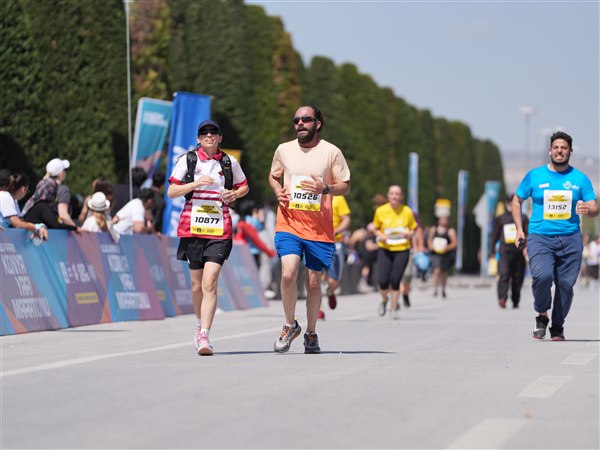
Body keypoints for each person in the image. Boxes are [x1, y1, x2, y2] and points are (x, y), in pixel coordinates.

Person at [268, 105, 351, 354]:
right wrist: (277, 190)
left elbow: (345, 186)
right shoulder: (283, 149)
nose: (300, 123)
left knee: (314, 283)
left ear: (318, 123)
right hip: (289, 223)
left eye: (306, 119)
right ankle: (289, 324)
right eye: (296, 120)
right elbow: (273, 176)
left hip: (319, 229)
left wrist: (325, 188)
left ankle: (311, 332)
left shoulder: (331, 152)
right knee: (287, 273)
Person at [167, 119, 248, 356]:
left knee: (210, 282)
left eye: (213, 132)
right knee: (196, 286)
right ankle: (198, 322)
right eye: (204, 133)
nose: (209, 136)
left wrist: (234, 194)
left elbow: (244, 186)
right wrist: (195, 183)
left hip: (219, 229)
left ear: (220, 137)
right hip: (192, 228)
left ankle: (205, 335)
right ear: (198, 138)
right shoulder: (188, 160)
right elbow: (171, 191)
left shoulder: (229, 162)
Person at [513, 131, 598, 341]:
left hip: (570, 238)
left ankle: (558, 325)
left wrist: (588, 209)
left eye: (564, 148)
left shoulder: (580, 179)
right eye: (556, 147)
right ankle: (542, 315)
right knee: (542, 276)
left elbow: (594, 207)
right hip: (540, 237)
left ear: (570, 151)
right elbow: (517, 200)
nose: (560, 151)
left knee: (566, 285)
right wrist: (519, 230)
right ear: (550, 150)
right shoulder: (534, 176)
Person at [372, 185, 418, 319]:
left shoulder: (407, 211)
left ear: (401, 196)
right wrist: (381, 235)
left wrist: (409, 234)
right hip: (385, 248)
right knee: (383, 280)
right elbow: (375, 228)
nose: (394, 196)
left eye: (397, 194)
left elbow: (413, 228)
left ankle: (393, 308)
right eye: (392, 193)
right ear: (388, 196)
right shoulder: (381, 211)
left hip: (402, 248)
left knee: (396, 279)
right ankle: (384, 300)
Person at [490, 193, 529, 309]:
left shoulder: (523, 218)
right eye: (509, 203)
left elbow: (528, 234)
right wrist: (492, 251)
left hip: (519, 253)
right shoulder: (501, 219)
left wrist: (527, 248)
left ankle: (515, 299)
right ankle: (502, 298)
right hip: (504, 253)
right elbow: (495, 235)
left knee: (518, 278)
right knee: (504, 274)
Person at [319, 195, 351, 319]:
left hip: (335, 243)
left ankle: (330, 291)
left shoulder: (338, 198)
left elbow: (346, 219)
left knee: (334, 281)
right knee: (315, 277)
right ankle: (319, 309)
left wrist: (335, 231)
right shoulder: (314, 196)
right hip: (317, 242)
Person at [0, 173, 49, 240]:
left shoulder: (13, 200)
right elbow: (17, 224)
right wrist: (35, 228)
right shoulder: (5, 197)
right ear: (23, 189)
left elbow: (21, 221)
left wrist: (37, 227)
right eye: (27, 191)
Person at [399, 210, 425, 308]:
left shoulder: (410, 213)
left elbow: (418, 229)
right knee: (396, 275)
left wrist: (420, 245)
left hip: (407, 248)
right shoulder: (386, 212)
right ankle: (396, 298)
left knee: (407, 274)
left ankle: (405, 293)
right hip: (391, 247)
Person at [427, 215, 457, 298]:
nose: (444, 221)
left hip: (445, 254)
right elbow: (429, 240)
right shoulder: (434, 229)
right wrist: (431, 246)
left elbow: (454, 243)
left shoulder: (450, 231)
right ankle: (435, 288)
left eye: (445, 220)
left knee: (444, 272)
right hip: (435, 253)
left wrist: (446, 248)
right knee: (436, 270)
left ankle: (443, 288)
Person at [45, 158, 78, 227]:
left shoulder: (42, 187)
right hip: (57, 230)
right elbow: (63, 215)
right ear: (61, 173)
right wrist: (76, 229)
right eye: (65, 170)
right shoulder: (63, 189)